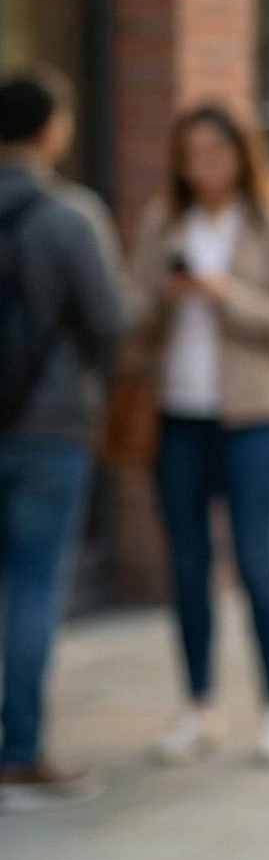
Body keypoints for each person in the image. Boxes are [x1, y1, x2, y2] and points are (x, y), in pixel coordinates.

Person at [131, 103, 269, 769]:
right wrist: (163, 294)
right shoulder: (165, 219)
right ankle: (197, 705)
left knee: (255, 559)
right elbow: (134, 309)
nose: (201, 164)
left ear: (243, 153)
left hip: (255, 416)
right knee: (185, 566)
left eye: (215, 150)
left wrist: (222, 293)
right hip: (180, 412)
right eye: (190, 152)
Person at [0, 67, 128, 810]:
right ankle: (19, 751)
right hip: (49, 425)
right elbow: (112, 319)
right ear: (51, 128)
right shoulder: (69, 215)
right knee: (35, 585)